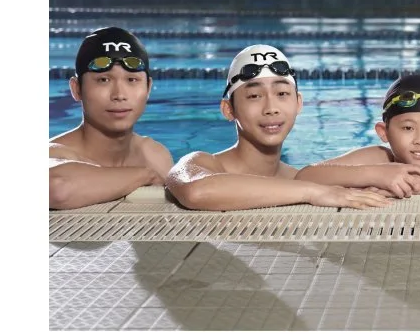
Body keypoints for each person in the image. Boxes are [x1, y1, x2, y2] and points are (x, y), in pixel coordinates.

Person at [166, 44, 392, 211]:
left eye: (282, 94)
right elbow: (196, 191)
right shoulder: (204, 163)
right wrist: (313, 191)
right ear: (229, 109)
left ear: (298, 103)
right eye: (254, 95)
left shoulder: (299, 177)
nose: (271, 108)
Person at [48, 27, 174, 209]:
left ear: (148, 88)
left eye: (132, 80)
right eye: (103, 80)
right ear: (76, 89)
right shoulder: (55, 153)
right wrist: (145, 175)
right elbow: (58, 188)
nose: (119, 95)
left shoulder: (155, 155)